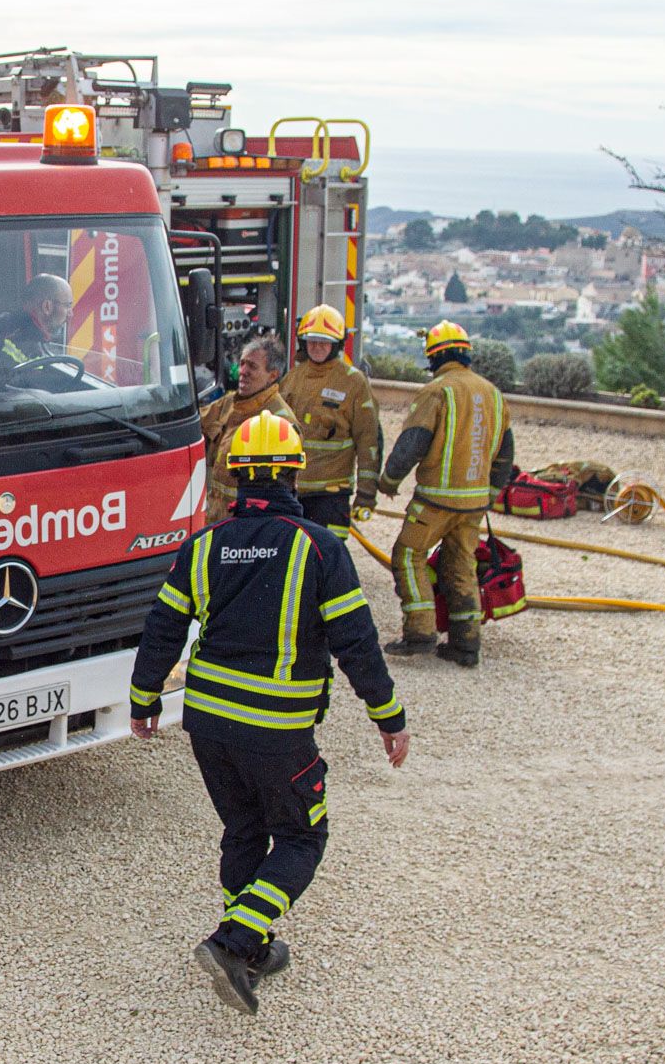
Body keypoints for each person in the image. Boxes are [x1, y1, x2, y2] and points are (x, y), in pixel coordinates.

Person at [128, 410, 409, 1015]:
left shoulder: (202, 546)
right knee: (304, 835)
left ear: (237, 477)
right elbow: (356, 642)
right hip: (276, 727)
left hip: (206, 722)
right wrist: (388, 716)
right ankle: (233, 942)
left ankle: (252, 950)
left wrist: (143, 698)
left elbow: (162, 629)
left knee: (246, 828)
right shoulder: (319, 548)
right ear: (294, 474)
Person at [376, 320, 515, 667]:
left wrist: (389, 480)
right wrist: (492, 492)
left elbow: (413, 443)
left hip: (436, 500)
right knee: (461, 566)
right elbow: (506, 452)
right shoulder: (493, 393)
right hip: (474, 503)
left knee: (408, 555)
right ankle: (465, 644)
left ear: (434, 358)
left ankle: (420, 633)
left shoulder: (437, 392)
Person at [278, 304, 381, 538]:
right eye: (312, 340)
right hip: (292, 488)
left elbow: (369, 441)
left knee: (328, 558)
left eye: (324, 342)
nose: (316, 347)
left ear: (337, 344)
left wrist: (366, 495)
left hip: (331, 493)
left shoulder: (353, 382)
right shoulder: (293, 378)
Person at [199, 335, 293, 517]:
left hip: (248, 521)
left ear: (272, 376)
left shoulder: (282, 422)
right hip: (216, 517)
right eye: (242, 363)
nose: (243, 371)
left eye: (252, 366)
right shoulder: (228, 404)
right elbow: (196, 421)